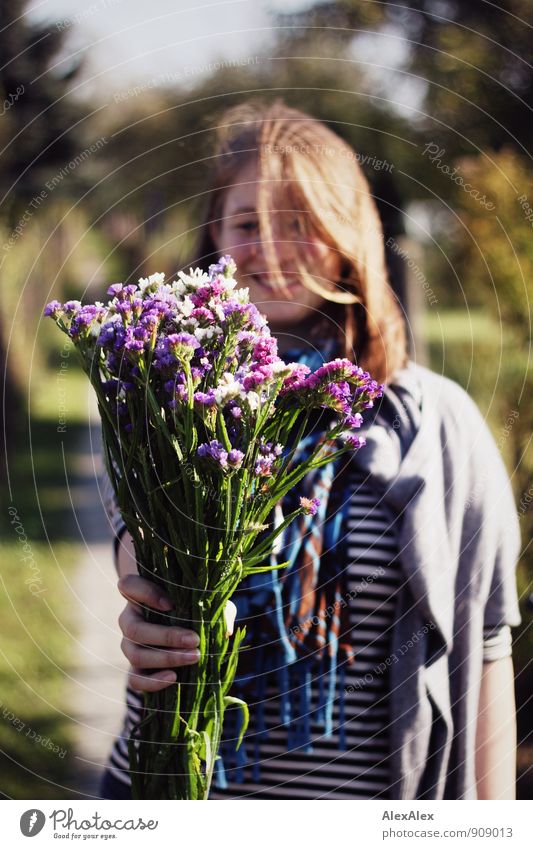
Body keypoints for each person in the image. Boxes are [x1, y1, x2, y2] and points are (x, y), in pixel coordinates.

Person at [99, 99, 521, 800]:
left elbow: (487, 648)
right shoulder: (161, 410)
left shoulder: (439, 424)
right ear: (213, 235)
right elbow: (139, 562)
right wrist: (146, 608)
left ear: (348, 234)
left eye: (300, 223)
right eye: (246, 223)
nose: (271, 248)